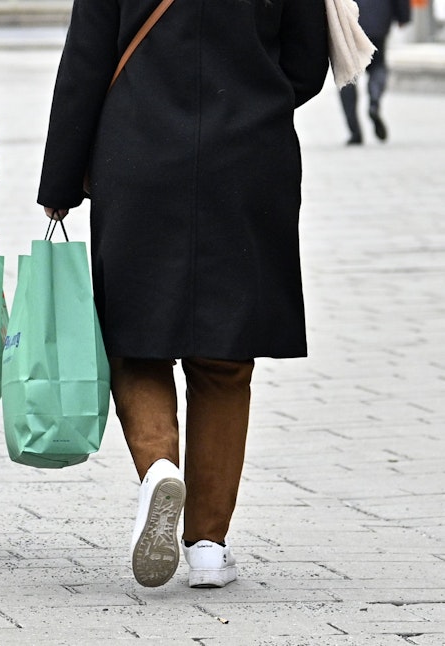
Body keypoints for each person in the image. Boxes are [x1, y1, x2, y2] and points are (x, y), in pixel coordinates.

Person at [38, 0, 329, 588]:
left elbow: (87, 62)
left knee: (135, 341)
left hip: (138, 154)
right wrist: (247, 96)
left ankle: (159, 471)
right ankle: (207, 549)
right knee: (224, 360)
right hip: (248, 158)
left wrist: (61, 178)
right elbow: (306, 65)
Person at [340, 0, 411, 144]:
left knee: (348, 75)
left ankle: (355, 132)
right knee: (378, 65)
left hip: (350, 20)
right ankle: (374, 101)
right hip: (379, 20)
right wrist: (403, 16)